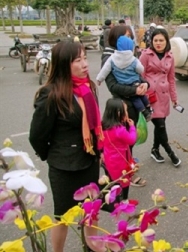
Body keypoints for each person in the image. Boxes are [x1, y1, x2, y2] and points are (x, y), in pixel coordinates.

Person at [29, 40, 103, 252]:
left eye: (85, 58)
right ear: (64, 64)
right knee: (62, 216)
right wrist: (54, 155)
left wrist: (99, 151)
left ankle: (92, 247)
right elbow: (37, 136)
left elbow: (94, 125)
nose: (85, 64)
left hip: (89, 161)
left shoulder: (88, 87)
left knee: (91, 211)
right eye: (78, 60)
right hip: (64, 168)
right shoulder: (51, 94)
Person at [101, 25, 148, 187]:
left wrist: (145, 85)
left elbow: (138, 74)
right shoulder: (110, 57)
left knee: (129, 142)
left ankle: (125, 168)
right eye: (127, 36)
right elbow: (113, 86)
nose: (130, 39)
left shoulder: (128, 54)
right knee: (122, 143)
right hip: (120, 106)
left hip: (132, 104)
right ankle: (125, 174)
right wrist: (136, 90)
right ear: (118, 38)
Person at [140, 28, 181, 166]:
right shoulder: (145, 55)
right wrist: (142, 94)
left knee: (160, 125)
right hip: (150, 96)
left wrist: (174, 98)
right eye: (155, 40)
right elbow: (140, 76)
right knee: (161, 126)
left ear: (166, 41)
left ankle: (155, 149)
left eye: (161, 40)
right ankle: (171, 153)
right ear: (151, 41)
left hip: (164, 96)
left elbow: (171, 79)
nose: (158, 43)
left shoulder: (170, 56)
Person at [96, 35, 153, 121]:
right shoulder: (133, 59)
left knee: (135, 98)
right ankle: (147, 110)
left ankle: (145, 111)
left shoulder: (112, 58)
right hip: (134, 83)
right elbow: (140, 69)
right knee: (139, 96)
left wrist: (99, 79)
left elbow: (105, 69)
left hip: (122, 83)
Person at [102, 98, 137, 200]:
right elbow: (131, 140)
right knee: (124, 180)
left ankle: (113, 197)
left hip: (108, 156)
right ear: (118, 113)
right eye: (125, 110)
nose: (127, 113)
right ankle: (124, 199)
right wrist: (132, 127)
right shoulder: (120, 130)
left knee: (113, 178)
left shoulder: (103, 125)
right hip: (120, 159)